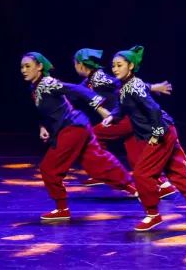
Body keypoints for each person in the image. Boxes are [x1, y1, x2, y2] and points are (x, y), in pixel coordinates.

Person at [102, 45, 186, 232]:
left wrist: (156, 133)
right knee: (177, 171)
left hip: (161, 132)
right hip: (166, 130)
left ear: (131, 66)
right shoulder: (126, 87)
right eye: (113, 65)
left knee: (142, 173)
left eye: (119, 65)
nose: (115, 69)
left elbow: (153, 109)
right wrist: (112, 117)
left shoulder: (134, 86)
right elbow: (122, 107)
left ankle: (152, 214)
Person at [21, 52, 135, 222]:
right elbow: (47, 110)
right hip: (80, 126)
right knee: (96, 162)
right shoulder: (35, 87)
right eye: (22, 67)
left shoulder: (47, 83)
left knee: (49, 168)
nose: (23, 70)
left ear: (39, 67)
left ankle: (62, 209)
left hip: (72, 129)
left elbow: (79, 89)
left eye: (27, 66)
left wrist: (100, 108)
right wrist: (43, 126)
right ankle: (133, 188)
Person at [71, 48, 175, 197]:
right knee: (136, 157)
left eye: (75, 64)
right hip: (126, 119)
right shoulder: (88, 82)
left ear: (80, 64)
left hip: (125, 118)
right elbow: (75, 92)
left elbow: (122, 84)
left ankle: (103, 170)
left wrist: (153, 87)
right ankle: (163, 185)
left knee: (93, 135)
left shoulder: (99, 77)